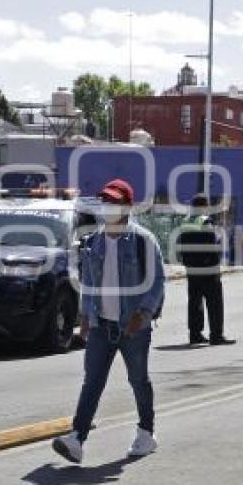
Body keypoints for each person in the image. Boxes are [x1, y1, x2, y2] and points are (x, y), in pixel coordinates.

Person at [53, 179, 165, 464]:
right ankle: (76, 438)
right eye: (105, 201)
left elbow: (157, 283)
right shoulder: (93, 243)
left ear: (128, 206)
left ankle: (146, 432)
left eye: (114, 202)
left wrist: (142, 315)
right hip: (102, 325)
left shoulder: (143, 241)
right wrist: (86, 318)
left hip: (134, 327)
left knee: (138, 380)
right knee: (92, 382)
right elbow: (89, 284)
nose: (108, 207)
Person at [178, 193, 236, 346]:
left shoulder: (186, 221)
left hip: (192, 268)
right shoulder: (205, 221)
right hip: (208, 268)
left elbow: (181, 245)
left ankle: (195, 334)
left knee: (194, 302)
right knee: (214, 302)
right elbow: (212, 242)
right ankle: (216, 335)